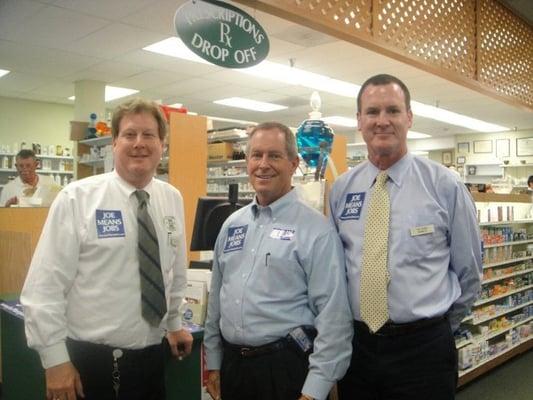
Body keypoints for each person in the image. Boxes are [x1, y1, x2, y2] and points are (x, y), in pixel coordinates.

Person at [21, 98, 193, 400]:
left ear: (162, 144)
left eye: (149, 135)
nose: (139, 143)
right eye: (129, 134)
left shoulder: (171, 198)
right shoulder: (77, 198)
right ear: (114, 142)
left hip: (152, 358)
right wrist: (55, 360)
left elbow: (174, 270)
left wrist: (175, 322)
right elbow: (43, 287)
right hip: (91, 363)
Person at [329, 74, 482, 400]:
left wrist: (434, 327)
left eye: (393, 111)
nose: (382, 121)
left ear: (409, 118)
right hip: (359, 348)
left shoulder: (445, 185)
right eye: (372, 112)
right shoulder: (342, 189)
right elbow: (337, 268)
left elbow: (469, 272)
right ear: (358, 121)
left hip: (423, 350)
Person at [203, 122, 353, 400]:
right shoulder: (232, 225)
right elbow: (216, 303)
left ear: (294, 163)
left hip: (285, 369)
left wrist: (315, 390)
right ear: (246, 162)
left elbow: (334, 319)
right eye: (256, 155)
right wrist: (213, 363)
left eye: (274, 156)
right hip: (234, 367)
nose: (263, 164)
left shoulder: (316, 231)